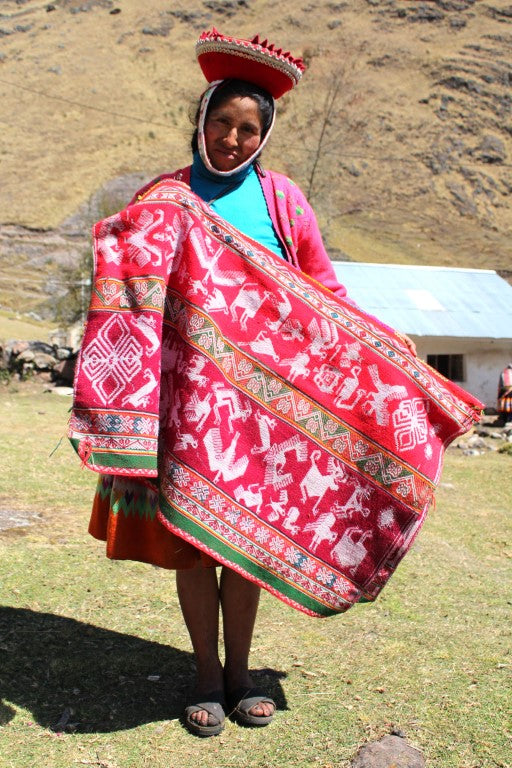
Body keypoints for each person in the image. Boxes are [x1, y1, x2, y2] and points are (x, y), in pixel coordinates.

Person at [86, 29, 417, 737]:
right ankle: (206, 677)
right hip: (187, 403)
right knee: (194, 541)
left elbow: (323, 291)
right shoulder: (167, 197)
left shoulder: (283, 201)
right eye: (223, 123)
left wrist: (383, 340)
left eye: (248, 130)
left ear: (263, 138)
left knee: (247, 543)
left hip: (263, 411)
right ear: (201, 121)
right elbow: (131, 280)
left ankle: (241, 675)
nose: (233, 140)